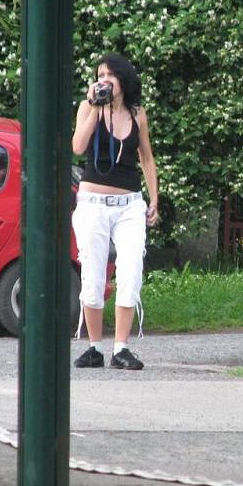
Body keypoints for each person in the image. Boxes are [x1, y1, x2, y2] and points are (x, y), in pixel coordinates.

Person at [71, 53, 159, 370]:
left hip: (129, 204)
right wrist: (95, 106)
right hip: (93, 203)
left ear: (123, 79)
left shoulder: (137, 114)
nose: (104, 78)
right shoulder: (88, 107)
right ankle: (94, 346)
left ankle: (121, 347)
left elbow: (147, 158)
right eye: (100, 74)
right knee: (93, 273)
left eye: (110, 74)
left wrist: (154, 199)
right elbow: (78, 147)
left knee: (131, 270)